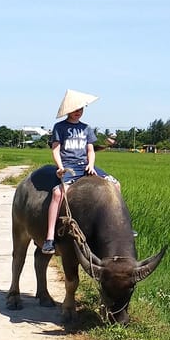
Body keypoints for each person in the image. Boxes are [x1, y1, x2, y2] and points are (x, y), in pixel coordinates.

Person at [42, 89, 121, 255]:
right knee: (57, 193)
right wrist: (60, 167)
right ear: (68, 111)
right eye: (75, 109)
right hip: (69, 166)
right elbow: (56, 150)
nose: (78, 112)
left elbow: (90, 150)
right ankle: (49, 238)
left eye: (81, 109)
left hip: (85, 165)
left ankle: (119, 226)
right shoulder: (60, 127)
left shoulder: (86, 129)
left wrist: (91, 165)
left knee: (116, 185)